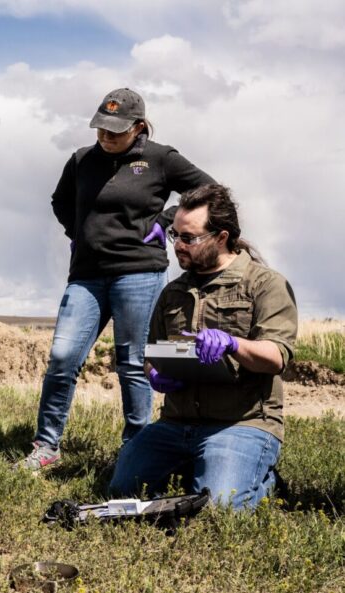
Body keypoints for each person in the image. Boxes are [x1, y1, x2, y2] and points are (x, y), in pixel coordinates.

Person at [17, 88, 216, 471]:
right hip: (87, 275)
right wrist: (80, 232)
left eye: (116, 131)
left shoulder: (160, 158)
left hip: (139, 271)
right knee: (62, 358)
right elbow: (60, 202)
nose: (106, 137)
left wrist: (165, 221)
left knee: (132, 362)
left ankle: (134, 449)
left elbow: (208, 190)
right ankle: (46, 447)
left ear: (138, 126)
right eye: (101, 129)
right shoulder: (81, 160)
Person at [109, 184, 297, 509]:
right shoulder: (173, 292)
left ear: (221, 238)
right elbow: (153, 354)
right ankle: (196, 469)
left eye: (189, 238)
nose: (178, 246)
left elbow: (277, 357)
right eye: (175, 235)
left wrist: (232, 344)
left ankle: (265, 482)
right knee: (122, 490)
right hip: (176, 422)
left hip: (241, 423)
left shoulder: (265, 284)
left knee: (217, 507)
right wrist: (156, 375)